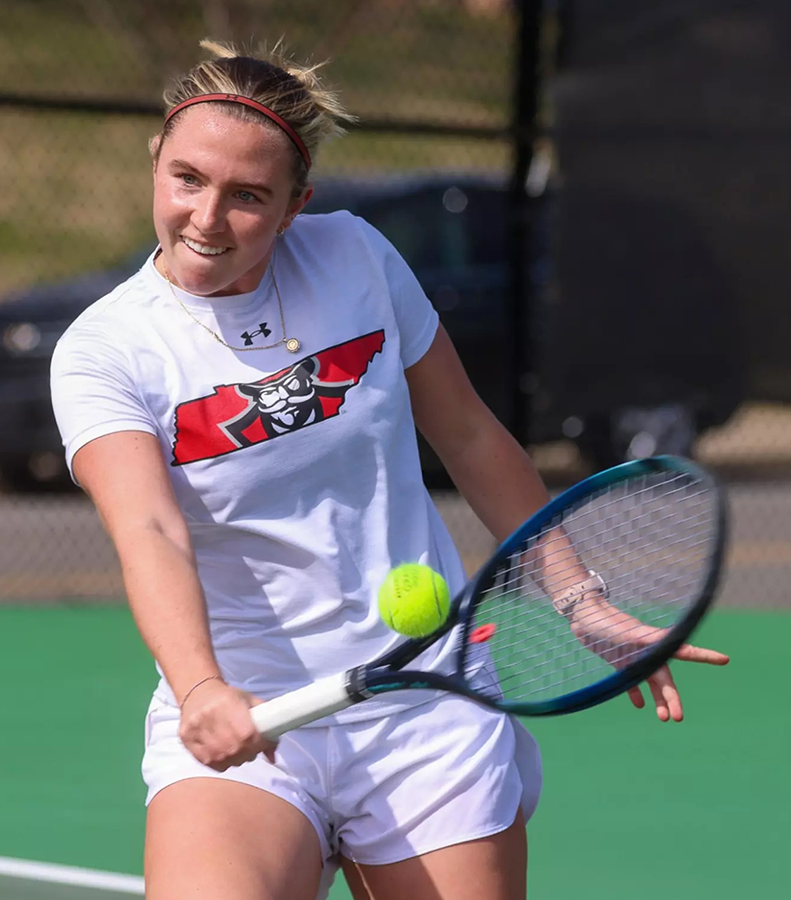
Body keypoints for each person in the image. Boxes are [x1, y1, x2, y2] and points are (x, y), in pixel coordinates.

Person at [50, 39, 729, 900]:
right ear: (156, 162)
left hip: (424, 708)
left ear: (295, 206)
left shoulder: (356, 257)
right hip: (249, 711)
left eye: (248, 195)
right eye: (187, 179)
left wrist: (580, 600)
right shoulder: (104, 350)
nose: (207, 218)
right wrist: (201, 687)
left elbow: (471, 437)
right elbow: (149, 527)